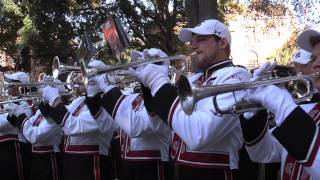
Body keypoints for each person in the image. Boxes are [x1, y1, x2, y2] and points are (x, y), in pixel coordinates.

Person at [108, 19, 251, 179]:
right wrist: (148, 86)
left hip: (214, 171)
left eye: (201, 39)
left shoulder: (237, 76)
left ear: (223, 43)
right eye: (192, 40)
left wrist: (158, 80)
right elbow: (159, 121)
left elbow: (199, 135)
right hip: (178, 168)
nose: (193, 45)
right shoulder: (193, 79)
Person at [239, 29, 320, 180]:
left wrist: (282, 104)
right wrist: (255, 112)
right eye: (314, 58)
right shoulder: (308, 109)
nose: (315, 64)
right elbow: (263, 153)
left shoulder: (296, 110)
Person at [85, 58, 171, 180]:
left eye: (143, 66)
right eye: (138, 65)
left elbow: (136, 128)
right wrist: (92, 93)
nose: (137, 69)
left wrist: (106, 85)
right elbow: (107, 125)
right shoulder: (131, 98)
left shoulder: (163, 99)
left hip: (152, 166)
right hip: (125, 165)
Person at [39, 61, 118, 180]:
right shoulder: (78, 101)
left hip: (92, 164)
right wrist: (49, 97)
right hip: (71, 163)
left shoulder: (106, 103)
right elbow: (55, 121)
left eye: (84, 73)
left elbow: (72, 127)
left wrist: (55, 99)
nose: (80, 77)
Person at [0, 71, 33, 180]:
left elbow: (6, 125)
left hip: (17, 147)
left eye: (11, 82)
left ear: (21, 86)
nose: (7, 85)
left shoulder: (26, 104)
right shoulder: (9, 102)